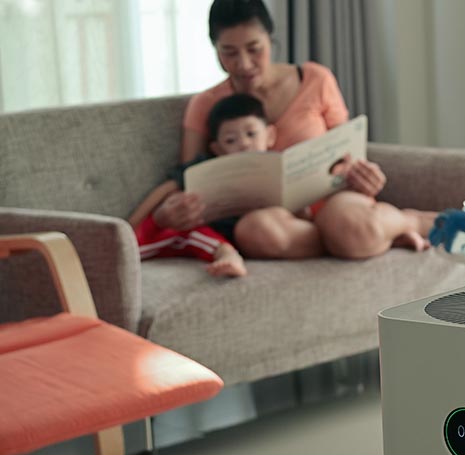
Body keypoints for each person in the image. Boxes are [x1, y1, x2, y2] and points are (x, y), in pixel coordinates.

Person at [150, 0, 435, 260]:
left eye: (254, 48)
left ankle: (414, 222)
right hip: (268, 218)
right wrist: (171, 212)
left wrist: (362, 174)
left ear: (271, 41)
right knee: (256, 232)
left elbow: (348, 151)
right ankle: (367, 238)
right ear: (215, 49)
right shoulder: (206, 104)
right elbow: (190, 178)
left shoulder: (315, 79)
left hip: (331, 202)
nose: (244, 64)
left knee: (352, 228)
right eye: (229, 53)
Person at [129, 93, 280, 277]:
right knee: (187, 227)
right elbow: (166, 189)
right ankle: (228, 255)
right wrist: (128, 227)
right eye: (231, 140)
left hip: (258, 231)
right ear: (217, 149)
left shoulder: (277, 166)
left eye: (251, 134)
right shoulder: (206, 166)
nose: (244, 144)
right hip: (206, 230)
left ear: (270, 136)